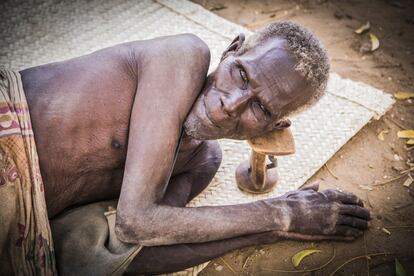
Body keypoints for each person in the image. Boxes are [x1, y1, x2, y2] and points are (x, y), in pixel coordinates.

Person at [0, 22, 370, 275]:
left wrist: (273, 230)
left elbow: (126, 247)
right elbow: (137, 219)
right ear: (231, 49)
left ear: (276, 127)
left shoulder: (202, 162)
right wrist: (280, 213)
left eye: (260, 107)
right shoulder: (182, 55)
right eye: (241, 74)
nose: (231, 104)